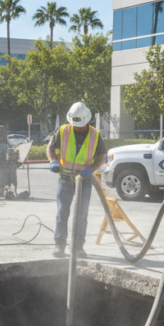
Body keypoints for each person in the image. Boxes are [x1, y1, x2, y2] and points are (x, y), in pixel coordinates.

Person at [46, 102, 107, 258]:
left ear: (87, 120)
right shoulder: (63, 131)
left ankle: (78, 247)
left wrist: (92, 169)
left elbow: (101, 157)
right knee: (62, 212)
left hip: (84, 180)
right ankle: (59, 246)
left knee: (81, 214)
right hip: (65, 178)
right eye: (75, 124)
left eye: (81, 124)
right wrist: (53, 160)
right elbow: (50, 147)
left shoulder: (95, 134)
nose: (78, 127)